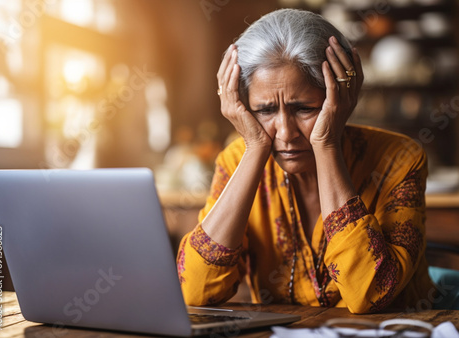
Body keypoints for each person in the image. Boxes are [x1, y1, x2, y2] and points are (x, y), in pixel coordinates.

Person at [177, 8, 434, 314]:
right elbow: (195, 291)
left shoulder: (400, 159)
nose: (285, 133)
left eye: (304, 108)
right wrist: (256, 146)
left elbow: (370, 293)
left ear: (339, 96)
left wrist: (326, 144)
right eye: (265, 110)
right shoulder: (236, 160)